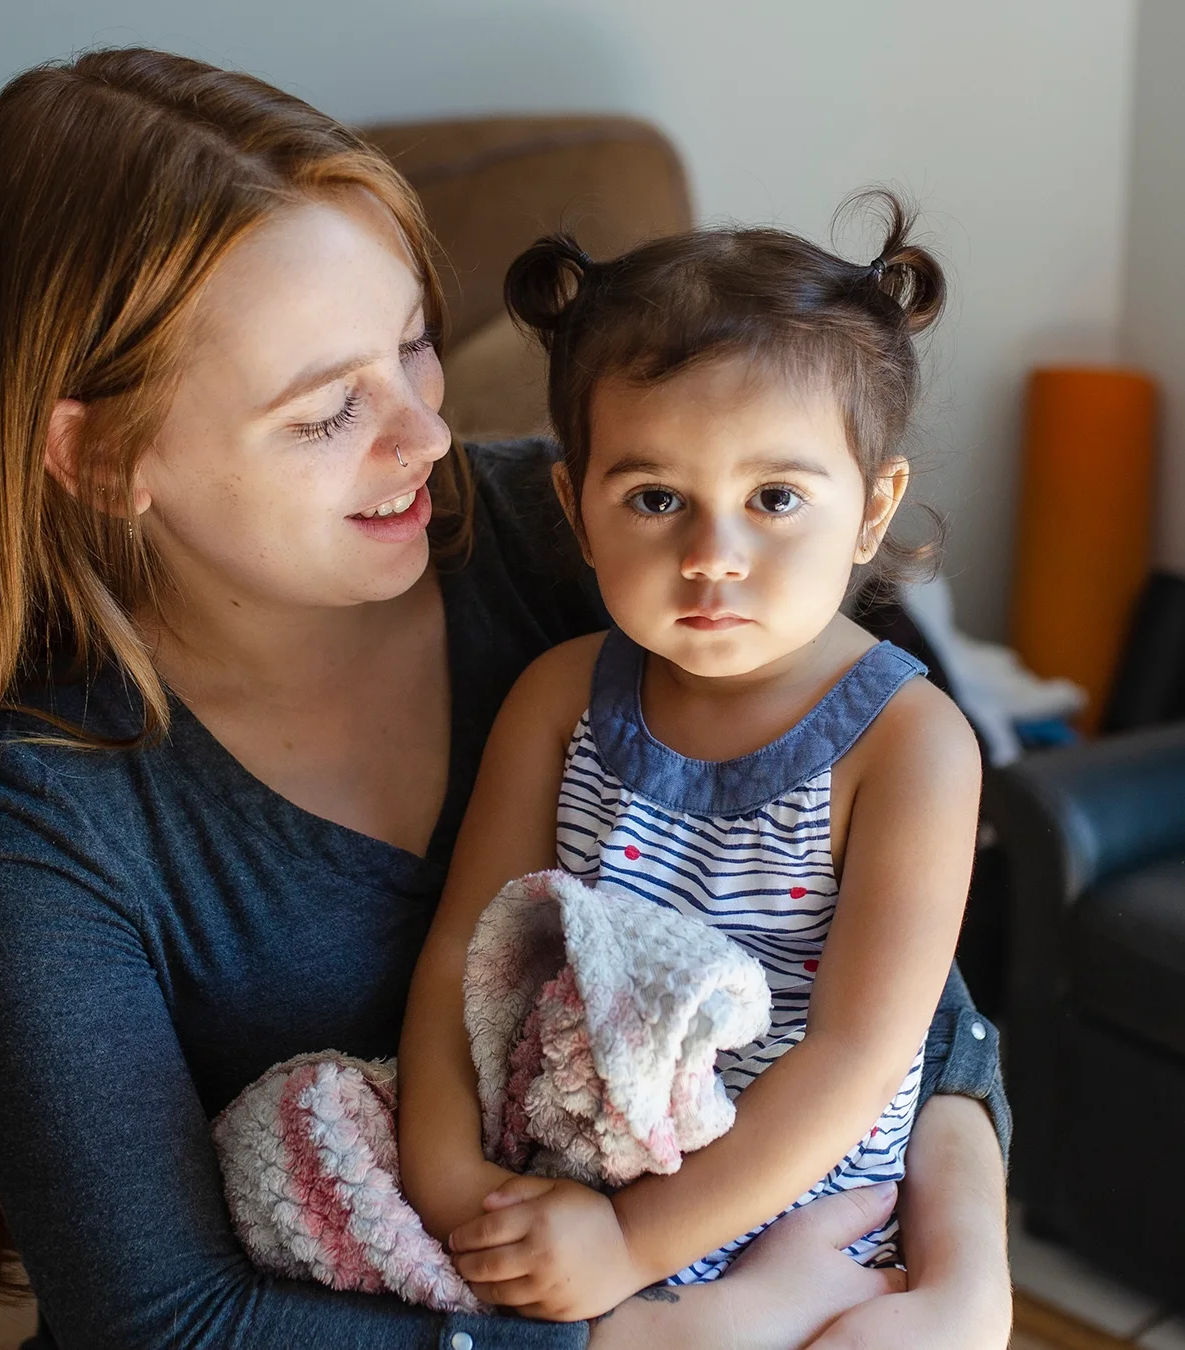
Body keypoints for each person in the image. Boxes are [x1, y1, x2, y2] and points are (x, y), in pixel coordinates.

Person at [0, 47, 1013, 1350]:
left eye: (412, 342)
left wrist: (968, 1266)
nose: (425, 434)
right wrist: (655, 1337)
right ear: (104, 454)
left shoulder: (577, 531)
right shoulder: (41, 823)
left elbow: (877, 951)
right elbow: (162, 1323)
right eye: (324, 413)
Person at [396, 200, 981, 1324]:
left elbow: (857, 1060)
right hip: (566, 1176)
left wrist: (630, 1245)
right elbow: (461, 964)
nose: (714, 556)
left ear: (871, 509)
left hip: (795, 1229)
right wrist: (451, 1181)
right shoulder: (560, 701)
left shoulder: (911, 748)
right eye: (656, 499)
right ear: (575, 508)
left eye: (775, 499)